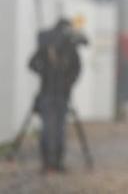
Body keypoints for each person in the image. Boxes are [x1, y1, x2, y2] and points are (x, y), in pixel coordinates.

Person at [29, 18, 84, 173]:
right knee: (54, 128)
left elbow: (76, 69)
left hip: (55, 93)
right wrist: (47, 72)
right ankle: (52, 162)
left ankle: (52, 162)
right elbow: (32, 64)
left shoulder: (64, 48)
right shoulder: (51, 47)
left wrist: (65, 80)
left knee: (53, 128)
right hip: (52, 93)